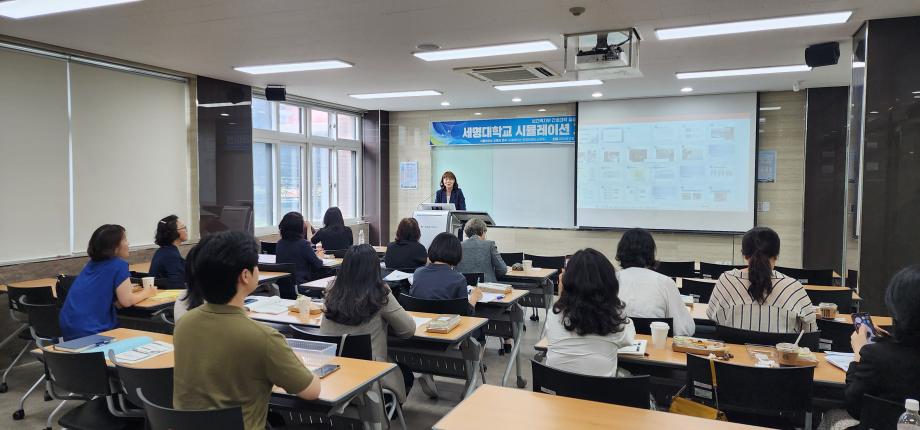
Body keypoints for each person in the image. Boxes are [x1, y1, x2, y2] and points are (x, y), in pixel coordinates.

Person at [173, 231, 320, 430]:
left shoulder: (185, 324)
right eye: (256, 265)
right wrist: (299, 362)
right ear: (245, 275)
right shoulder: (264, 338)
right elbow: (312, 391)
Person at [818, 265, 920, 430]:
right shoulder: (886, 353)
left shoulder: (877, 357)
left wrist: (859, 353)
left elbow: (854, 406)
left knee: (833, 416)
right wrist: (891, 341)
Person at [320, 244, 416, 403]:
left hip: (333, 371)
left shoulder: (332, 289)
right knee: (406, 373)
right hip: (370, 376)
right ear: (375, 269)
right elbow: (408, 330)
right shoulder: (379, 293)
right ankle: (385, 412)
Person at [706, 227, 817, 333]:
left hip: (732, 347)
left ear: (745, 255)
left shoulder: (726, 280)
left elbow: (712, 317)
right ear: (776, 256)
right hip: (780, 347)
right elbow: (810, 331)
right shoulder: (793, 287)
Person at [545, 248, 635, 377]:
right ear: (609, 282)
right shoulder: (615, 317)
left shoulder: (554, 315)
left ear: (566, 282)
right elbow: (629, 340)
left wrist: (561, 296)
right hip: (600, 389)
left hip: (555, 388)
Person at [59, 225, 158, 340]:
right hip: (90, 330)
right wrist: (148, 292)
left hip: (69, 326)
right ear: (114, 246)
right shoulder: (118, 265)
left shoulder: (90, 264)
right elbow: (126, 301)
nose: (128, 243)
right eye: (125, 239)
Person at [615, 228, 695, 337]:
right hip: (657, 345)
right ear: (650, 253)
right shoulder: (665, 282)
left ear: (621, 252)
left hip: (617, 345)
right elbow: (685, 329)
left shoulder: (611, 279)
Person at [410, 232, 481, 306]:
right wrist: (474, 297)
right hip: (448, 313)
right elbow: (465, 311)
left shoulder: (418, 273)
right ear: (457, 253)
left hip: (417, 313)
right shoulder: (459, 279)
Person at [276, 211, 327, 284]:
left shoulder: (280, 243)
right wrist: (319, 257)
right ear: (299, 228)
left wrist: (313, 255)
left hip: (284, 286)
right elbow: (318, 264)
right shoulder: (304, 244)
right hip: (303, 285)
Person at [456, 218, 507, 283]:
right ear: (482, 231)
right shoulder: (489, 244)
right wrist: (491, 274)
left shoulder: (458, 245)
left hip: (464, 286)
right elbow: (502, 269)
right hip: (487, 286)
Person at [148, 215, 188, 290]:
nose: (186, 230)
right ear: (174, 232)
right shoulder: (170, 255)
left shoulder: (163, 251)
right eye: (184, 227)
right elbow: (177, 285)